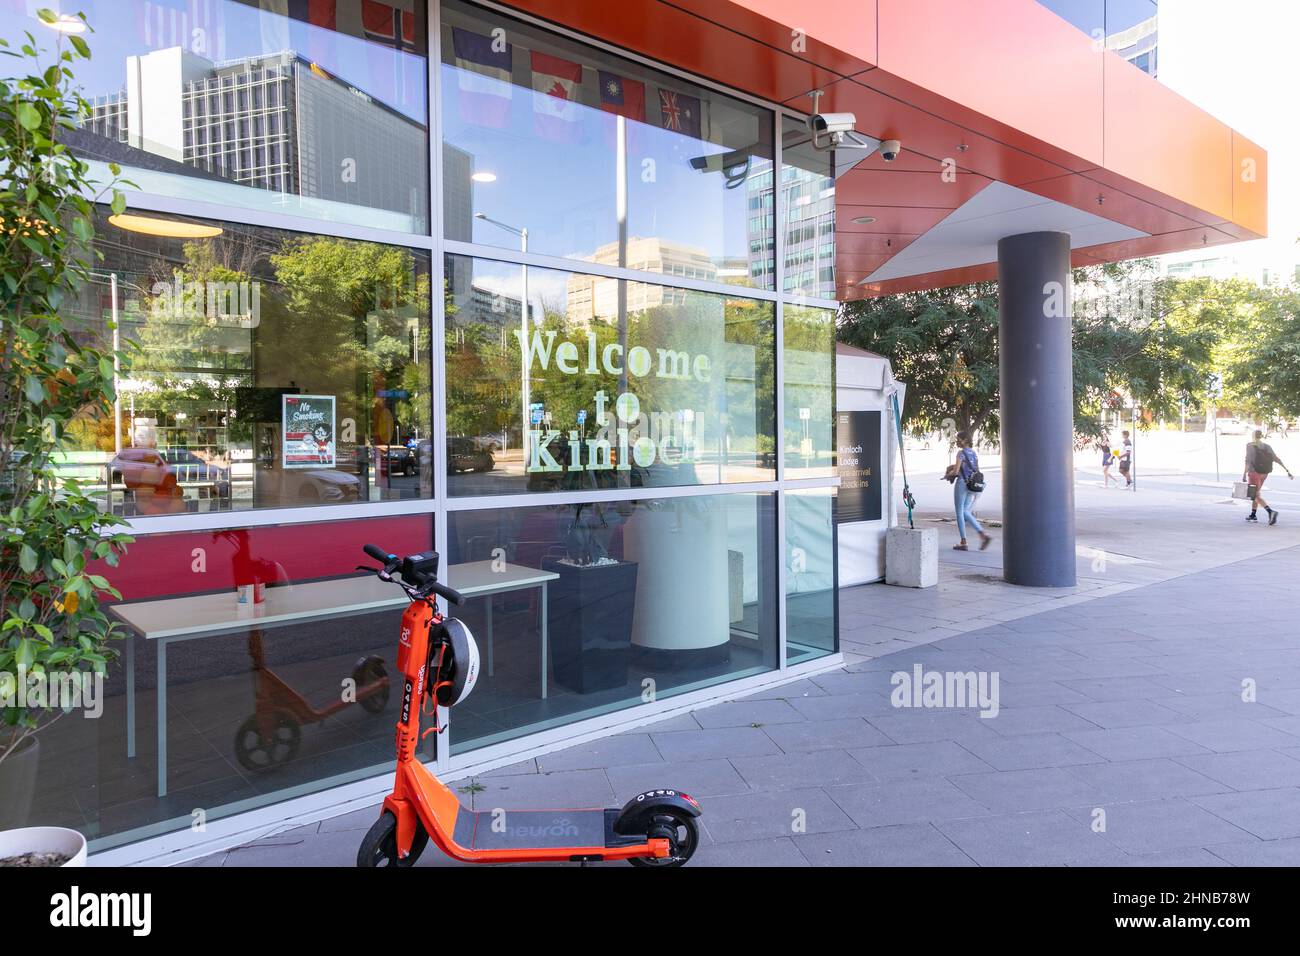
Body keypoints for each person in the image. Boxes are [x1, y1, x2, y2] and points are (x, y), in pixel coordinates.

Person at [949, 431, 991, 551]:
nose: (956, 441)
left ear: (964, 440)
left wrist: (948, 474)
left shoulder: (961, 453)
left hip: (962, 484)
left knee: (960, 512)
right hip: (971, 485)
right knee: (965, 512)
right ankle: (983, 535)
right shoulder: (973, 453)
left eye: (958, 439)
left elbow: (956, 471)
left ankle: (964, 541)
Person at [1244, 429, 1293, 525]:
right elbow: (1275, 458)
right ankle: (1253, 515)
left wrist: (1244, 474)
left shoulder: (1249, 445)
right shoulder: (1266, 446)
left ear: (1253, 436)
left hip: (1253, 473)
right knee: (1256, 494)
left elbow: (1247, 460)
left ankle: (1270, 512)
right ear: (1261, 436)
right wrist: (1287, 470)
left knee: (1254, 495)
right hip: (1264, 473)